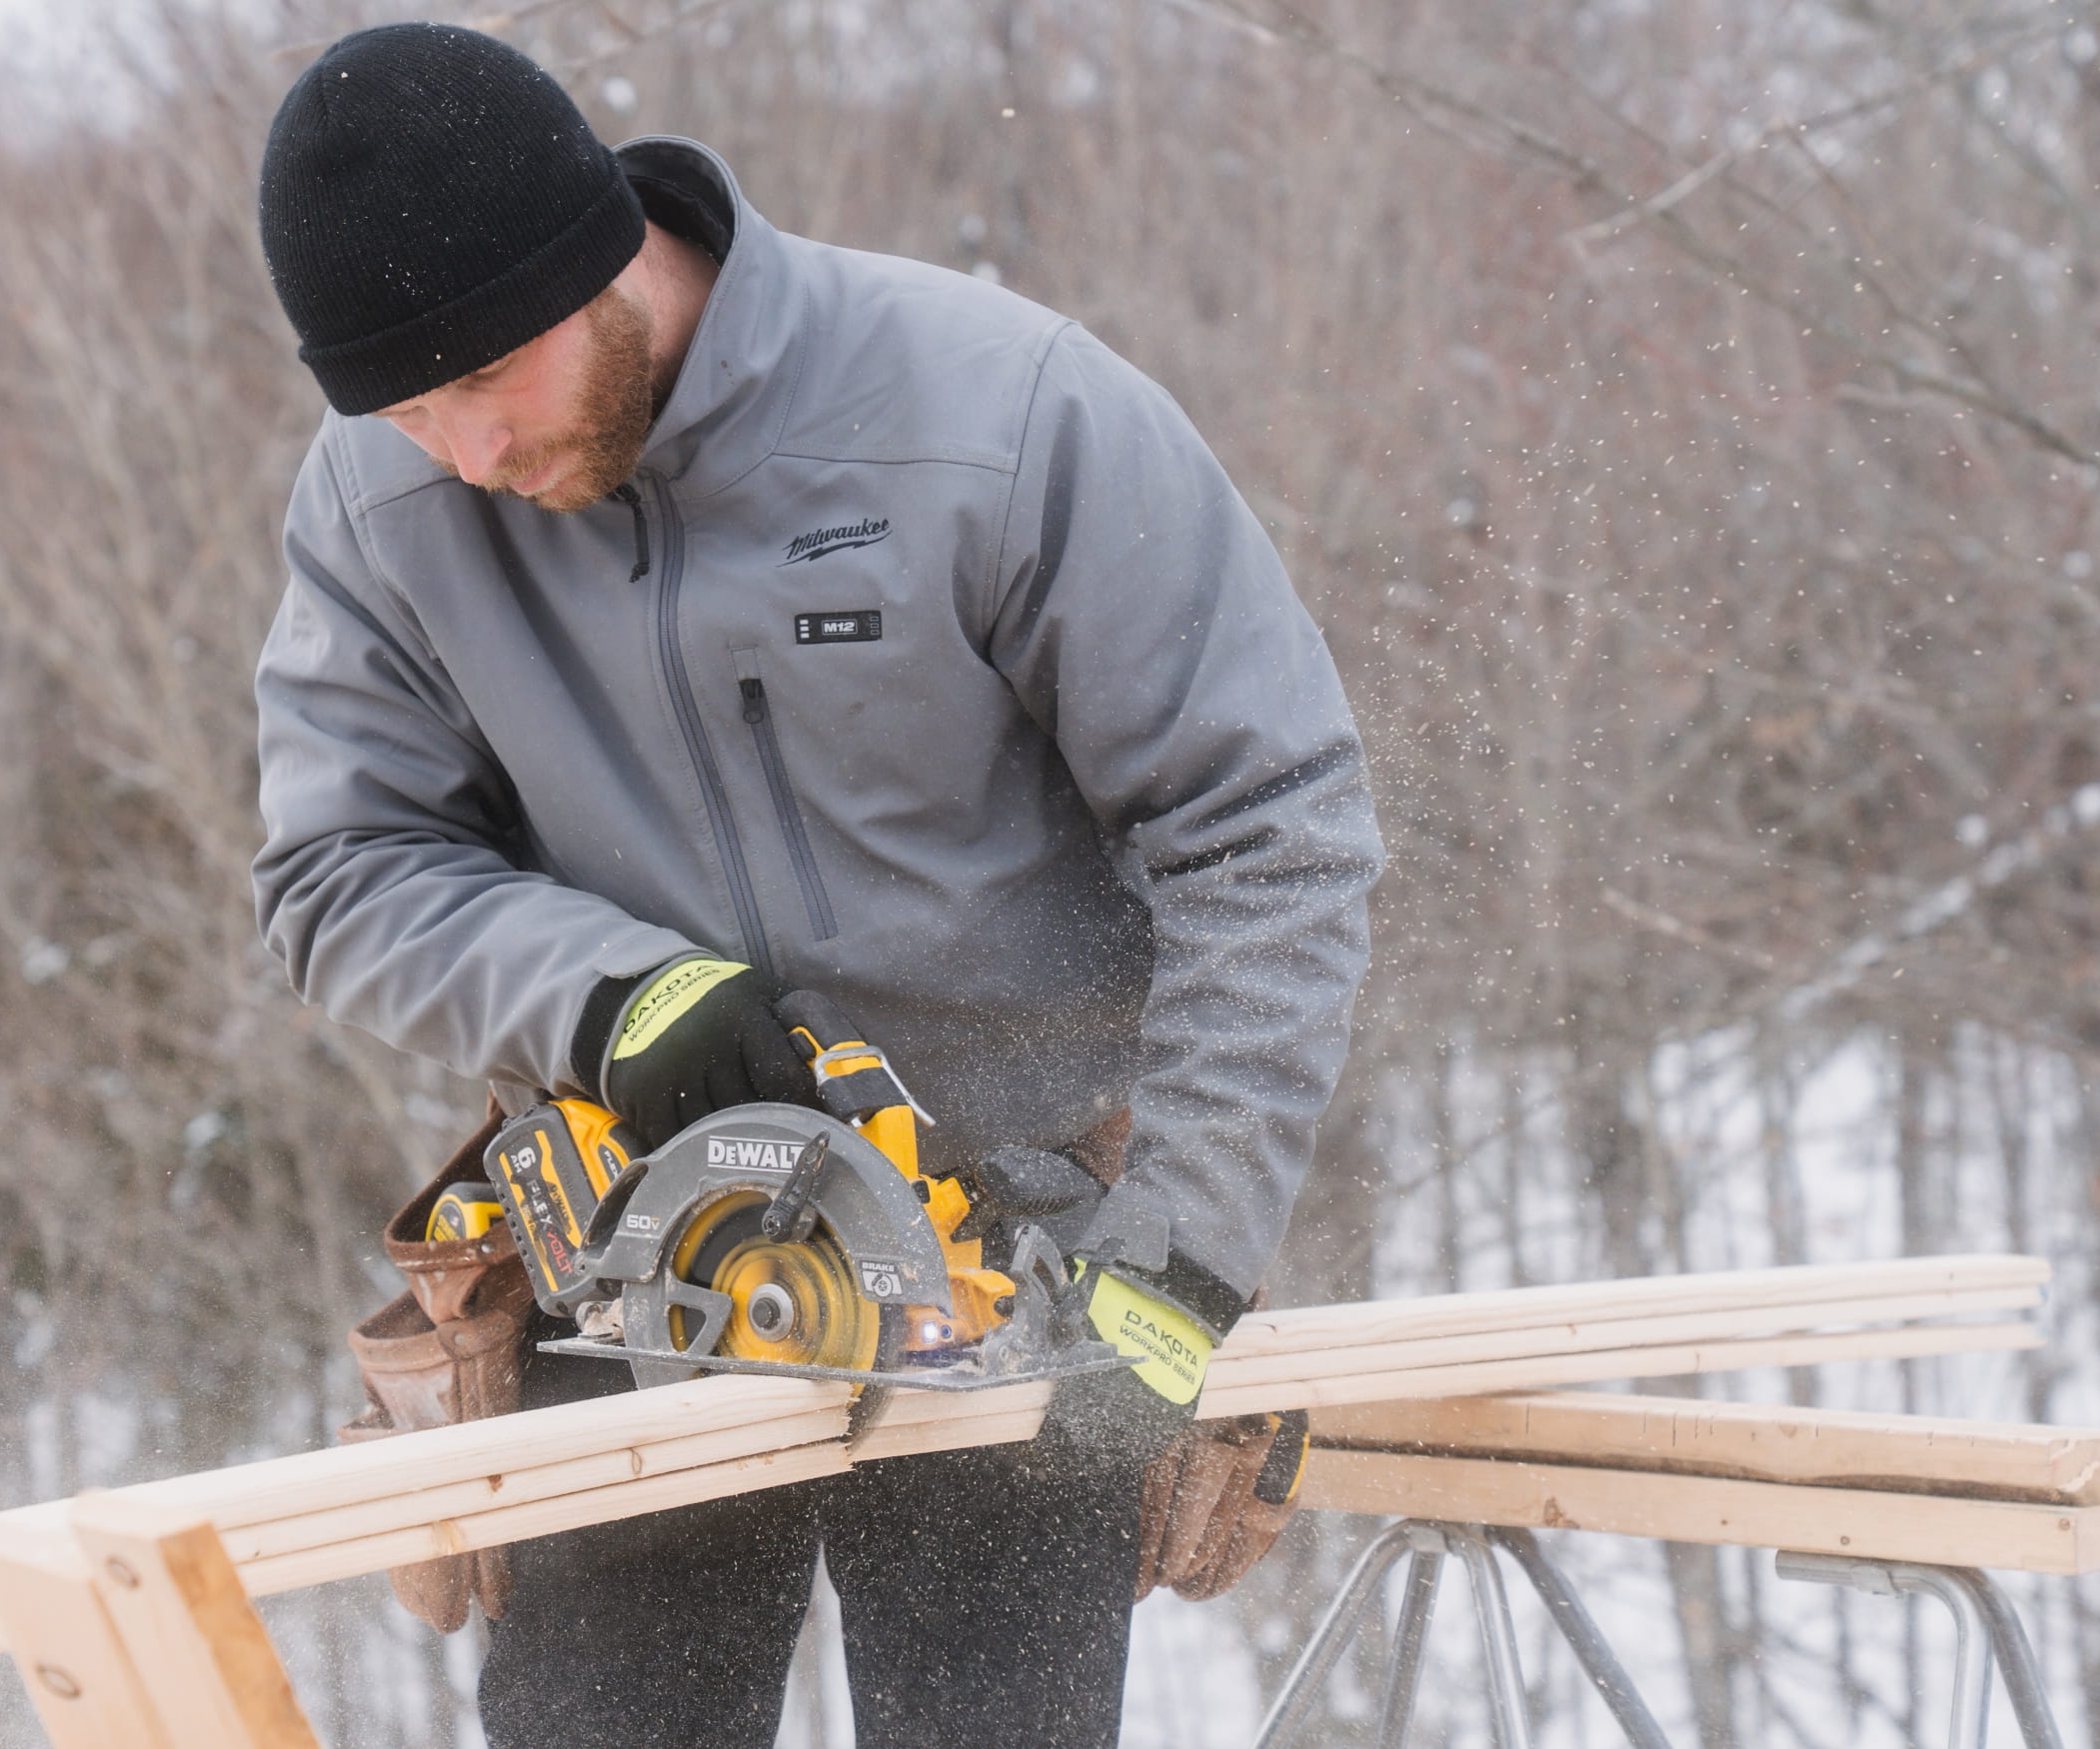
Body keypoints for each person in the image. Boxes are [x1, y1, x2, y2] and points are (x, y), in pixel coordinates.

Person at [250, 23, 1382, 1747]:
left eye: (485, 381)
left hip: (1014, 1261)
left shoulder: (998, 413)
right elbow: (338, 869)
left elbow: (1268, 822)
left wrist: (1181, 1250)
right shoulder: (379, 502)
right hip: (638, 1257)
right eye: (404, 410)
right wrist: (606, 996)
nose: (463, 453)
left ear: (597, 264)